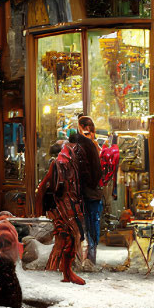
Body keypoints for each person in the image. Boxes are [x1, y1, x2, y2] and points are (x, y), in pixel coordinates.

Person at [37, 135, 87, 285]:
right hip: (62, 207)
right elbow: (43, 186)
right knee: (70, 236)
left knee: (67, 238)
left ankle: (62, 270)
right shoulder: (59, 164)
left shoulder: (71, 163)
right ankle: (66, 272)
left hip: (68, 206)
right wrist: (39, 211)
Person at [76, 116, 104, 265]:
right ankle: (90, 257)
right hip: (94, 191)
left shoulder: (87, 145)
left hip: (89, 192)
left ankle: (90, 258)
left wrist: (88, 184)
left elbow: (94, 170)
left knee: (89, 225)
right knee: (92, 224)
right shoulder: (93, 144)